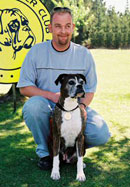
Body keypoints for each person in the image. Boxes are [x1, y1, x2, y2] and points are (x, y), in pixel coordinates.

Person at [17, 7, 111, 170]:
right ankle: (46, 154)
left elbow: (89, 89)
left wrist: (82, 107)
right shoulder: (36, 52)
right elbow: (24, 87)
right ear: (50, 27)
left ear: (73, 28)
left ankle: (71, 149)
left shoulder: (84, 54)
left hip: (74, 108)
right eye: (58, 26)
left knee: (101, 133)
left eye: (67, 26)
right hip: (46, 106)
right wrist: (52, 96)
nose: (63, 31)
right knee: (33, 107)